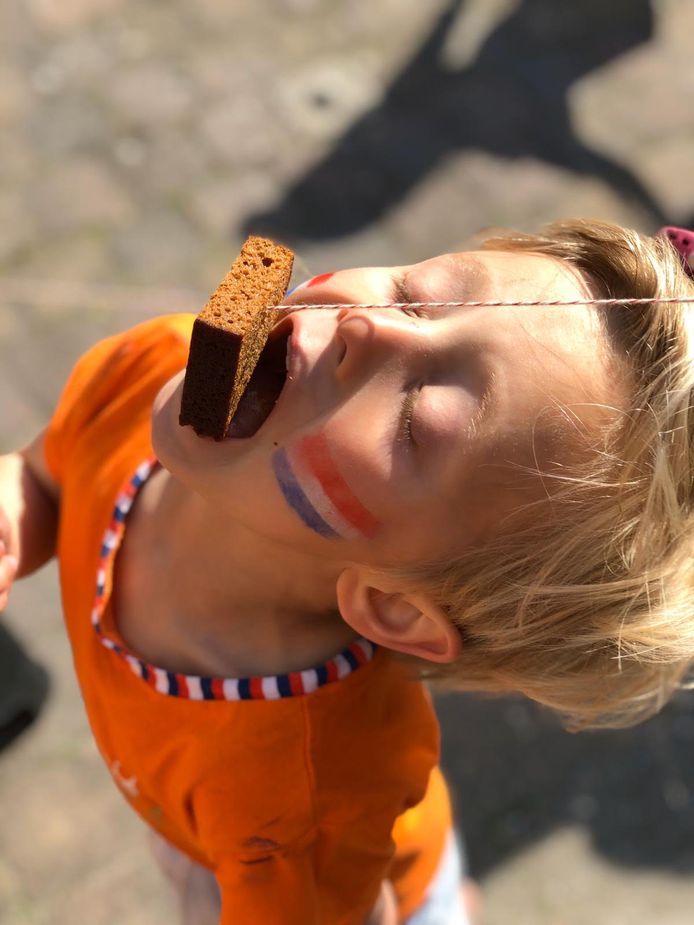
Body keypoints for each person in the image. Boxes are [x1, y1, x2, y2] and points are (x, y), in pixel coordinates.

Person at [0, 218, 692, 924]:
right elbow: (53, 470)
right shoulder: (152, 364)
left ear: (394, 606)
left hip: (311, 882)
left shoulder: (301, 796)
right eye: (415, 294)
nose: (366, 326)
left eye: (419, 420)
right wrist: (13, 504)